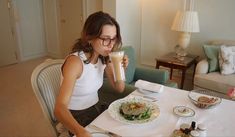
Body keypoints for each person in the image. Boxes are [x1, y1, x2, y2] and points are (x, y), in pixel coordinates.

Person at [54, 11, 128, 137]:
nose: (111, 45)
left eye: (114, 39)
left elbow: (120, 88)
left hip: (96, 109)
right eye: (105, 39)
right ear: (90, 37)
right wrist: (80, 131)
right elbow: (59, 108)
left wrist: (120, 68)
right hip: (76, 115)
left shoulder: (103, 58)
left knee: (127, 126)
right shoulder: (75, 63)